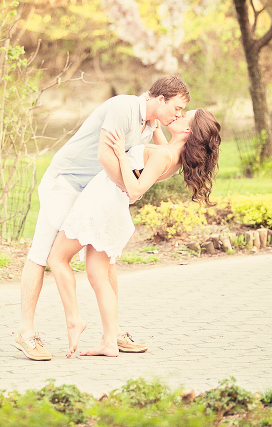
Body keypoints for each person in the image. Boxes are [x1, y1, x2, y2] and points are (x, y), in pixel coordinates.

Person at [15, 76, 190, 361]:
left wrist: (124, 191)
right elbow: (104, 157)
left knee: (104, 257)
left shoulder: (148, 126)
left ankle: (113, 334)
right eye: (177, 108)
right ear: (161, 99)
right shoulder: (124, 107)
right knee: (43, 253)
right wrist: (128, 190)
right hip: (67, 184)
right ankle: (26, 332)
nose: (178, 115)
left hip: (92, 193)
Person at [51, 109, 221, 357]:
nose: (179, 114)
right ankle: (110, 340)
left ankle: (78, 323)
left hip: (103, 204)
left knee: (59, 259)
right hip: (109, 206)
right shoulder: (173, 154)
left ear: (188, 130)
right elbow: (157, 153)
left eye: (185, 115)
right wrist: (154, 126)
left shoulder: (165, 155)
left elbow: (135, 190)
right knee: (101, 274)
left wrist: (121, 155)